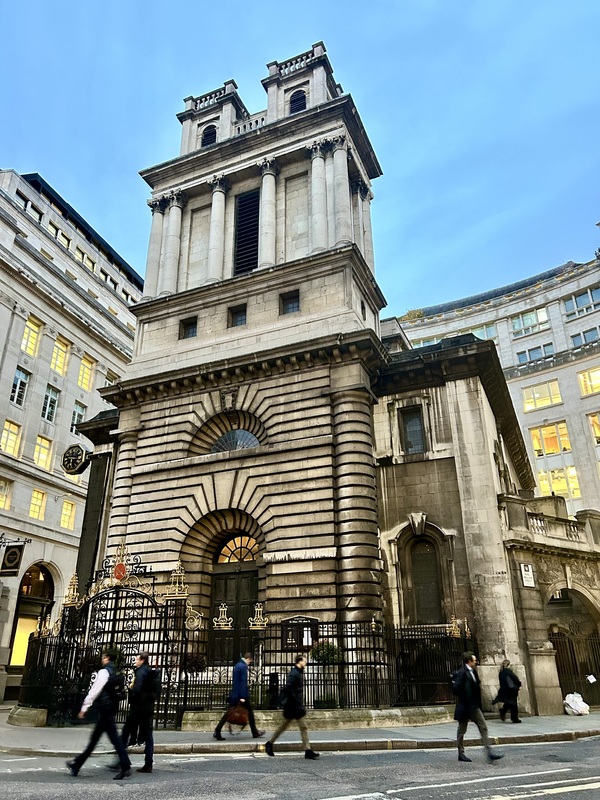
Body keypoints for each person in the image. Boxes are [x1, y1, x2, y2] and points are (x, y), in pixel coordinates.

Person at [66, 650, 131, 780]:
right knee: (96, 739)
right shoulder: (117, 672)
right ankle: (76, 764)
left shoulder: (104, 672)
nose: (102, 659)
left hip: (104, 708)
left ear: (107, 658)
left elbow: (94, 691)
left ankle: (125, 765)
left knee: (112, 739)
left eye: (103, 657)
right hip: (111, 707)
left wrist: (84, 707)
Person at [265, 654, 319, 760]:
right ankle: (269, 743)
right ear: (299, 662)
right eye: (304, 661)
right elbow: (289, 688)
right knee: (283, 727)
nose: (306, 663)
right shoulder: (294, 673)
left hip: (295, 705)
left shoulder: (298, 672)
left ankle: (308, 750)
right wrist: (295, 702)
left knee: (302, 727)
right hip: (293, 705)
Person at [453, 652, 503, 764]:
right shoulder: (462, 673)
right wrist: (465, 696)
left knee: (483, 727)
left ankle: (489, 752)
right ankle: (461, 753)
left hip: (474, 707)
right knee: (462, 730)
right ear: (469, 661)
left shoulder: (473, 672)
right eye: (474, 660)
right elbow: (456, 688)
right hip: (465, 707)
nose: (476, 662)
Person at [113, 652, 156, 773]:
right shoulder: (150, 671)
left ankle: (121, 761)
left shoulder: (141, 672)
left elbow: (137, 689)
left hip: (139, 708)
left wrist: (132, 693)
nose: (135, 661)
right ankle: (148, 763)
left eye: (137, 659)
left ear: (142, 660)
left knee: (126, 732)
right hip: (148, 707)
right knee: (148, 737)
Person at [213, 652, 264, 740]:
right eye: (250, 661)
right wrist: (243, 697)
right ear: (248, 659)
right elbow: (243, 682)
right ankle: (255, 732)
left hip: (235, 693)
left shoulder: (237, 665)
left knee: (229, 713)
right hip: (241, 694)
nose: (249, 663)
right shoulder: (243, 667)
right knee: (249, 713)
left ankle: (217, 731)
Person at [494, 659, 522, 723]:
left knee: (509, 703)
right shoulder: (508, 671)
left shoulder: (501, 672)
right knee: (513, 704)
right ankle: (514, 718)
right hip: (511, 690)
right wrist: (519, 684)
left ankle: (503, 711)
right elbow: (515, 679)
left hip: (505, 690)